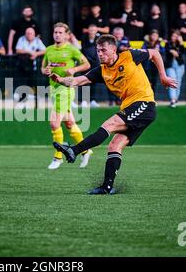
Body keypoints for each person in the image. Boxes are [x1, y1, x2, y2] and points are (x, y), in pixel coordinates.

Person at [51, 34, 177, 194]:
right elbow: (77, 81)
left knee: (108, 125)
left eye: (103, 50)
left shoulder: (129, 56)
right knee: (114, 145)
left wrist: (163, 76)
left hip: (144, 104)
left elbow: (154, 53)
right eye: (98, 50)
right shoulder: (102, 71)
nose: (100, 54)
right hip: (131, 108)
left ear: (113, 50)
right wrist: (61, 80)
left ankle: (74, 150)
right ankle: (106, 187)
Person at [41, 22, 93, 170]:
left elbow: (87, 64)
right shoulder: (49, 50)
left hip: (66, 89)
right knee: (69, 123)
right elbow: (43, 68)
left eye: (60, 32)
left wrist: (74, 69)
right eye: (55, 32)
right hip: (54, 89)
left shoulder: (71, 50)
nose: (57, 34)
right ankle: (85, 150)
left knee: (54, 122)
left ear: (66, 35)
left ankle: (58, 158)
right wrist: (45, 70)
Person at [15, 27, 46, 102]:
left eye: (30, 33)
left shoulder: (37, 41)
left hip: (33, 65)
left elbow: (45, 50)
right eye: (27, 33)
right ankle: (22, 98)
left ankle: (35, 97)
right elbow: (18, 50)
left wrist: (36, 53)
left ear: (34, 34)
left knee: (33, 81)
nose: (28, 35)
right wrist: (29, 52)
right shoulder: (21, 39)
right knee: (22, 81)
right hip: (22, 65)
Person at [81, 24, 100, 107]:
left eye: (94, 30)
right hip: (86, 63)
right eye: (90, 30)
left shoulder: (99, 39)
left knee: (94, 82)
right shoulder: (84, 38)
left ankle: (93, 100)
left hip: (95, 63)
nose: (92, 32)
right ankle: (84, 101)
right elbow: (83, 50)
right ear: (88, 30)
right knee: (85, 81)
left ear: (96, 31)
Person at [165, 30, 185, 108]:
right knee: (172, 81)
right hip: (170, 65)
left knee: (178, 82)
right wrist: (172, 50)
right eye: (173, 36)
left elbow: (182, 52)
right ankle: (173, 100)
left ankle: (175, 99)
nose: (174, 38)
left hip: (179, 65)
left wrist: (181, 42)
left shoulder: (180, 44)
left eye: (176, 36)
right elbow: (168, 49)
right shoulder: (168, 43)